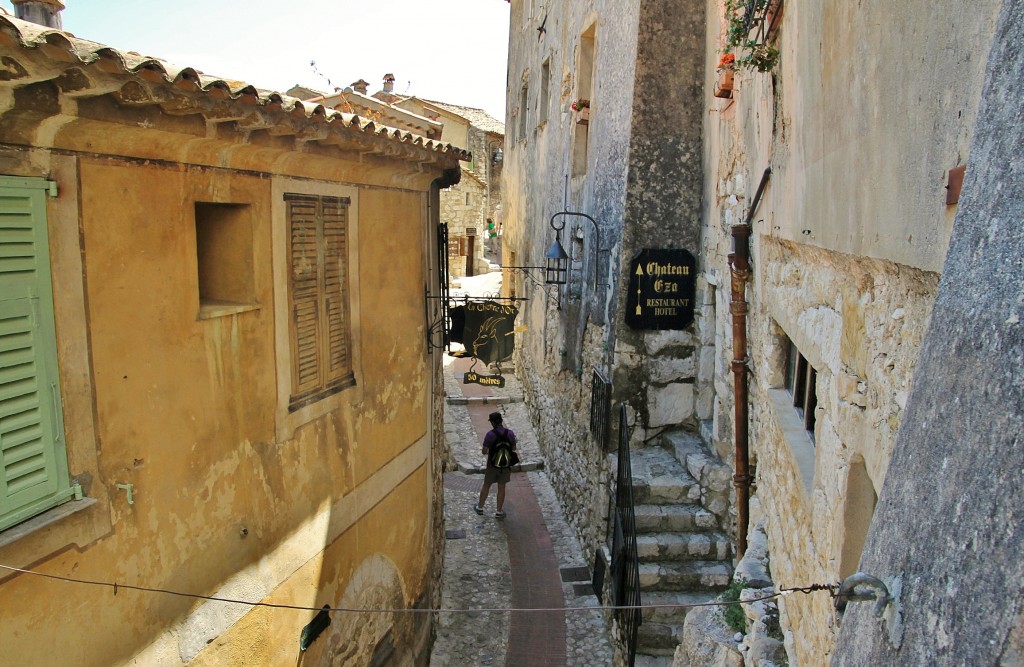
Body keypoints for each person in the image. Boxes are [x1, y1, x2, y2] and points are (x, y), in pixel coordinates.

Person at [474, 411, 517, 519]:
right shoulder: (510, 433)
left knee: (487, 485)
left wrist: (491, 452)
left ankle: (480, 507)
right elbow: (513, 448)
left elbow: (484, 451)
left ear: (492, 422)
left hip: (492, 465)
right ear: (501, 420)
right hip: (505, 465)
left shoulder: (490, 435)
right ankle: (499, 511)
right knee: (502, 487)